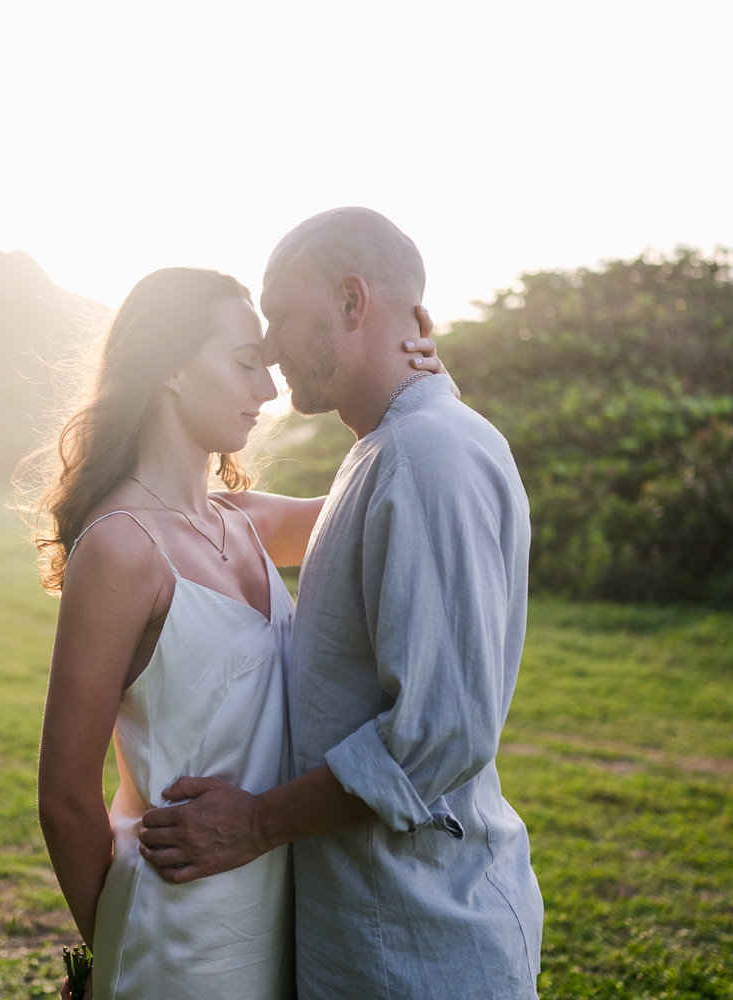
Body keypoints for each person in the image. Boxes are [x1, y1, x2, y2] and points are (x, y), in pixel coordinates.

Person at [137, 209, 545, 1000]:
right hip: (371, 939)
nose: (275, 345)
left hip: (423, 950)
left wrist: (255, 823)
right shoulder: (391, 449)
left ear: (353, 303)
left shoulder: (427, 456)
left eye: (283, 315)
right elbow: (257, 523)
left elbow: (437, 735)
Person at [28, 265, 444, 999]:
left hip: (282, 918)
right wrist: (116, 950)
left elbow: (397, 486)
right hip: (177, 937)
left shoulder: (245, 522)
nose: (268, 391)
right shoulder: (123, 548)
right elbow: (65, 796)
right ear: (169, 371)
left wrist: (421, 383)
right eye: (247, 364)